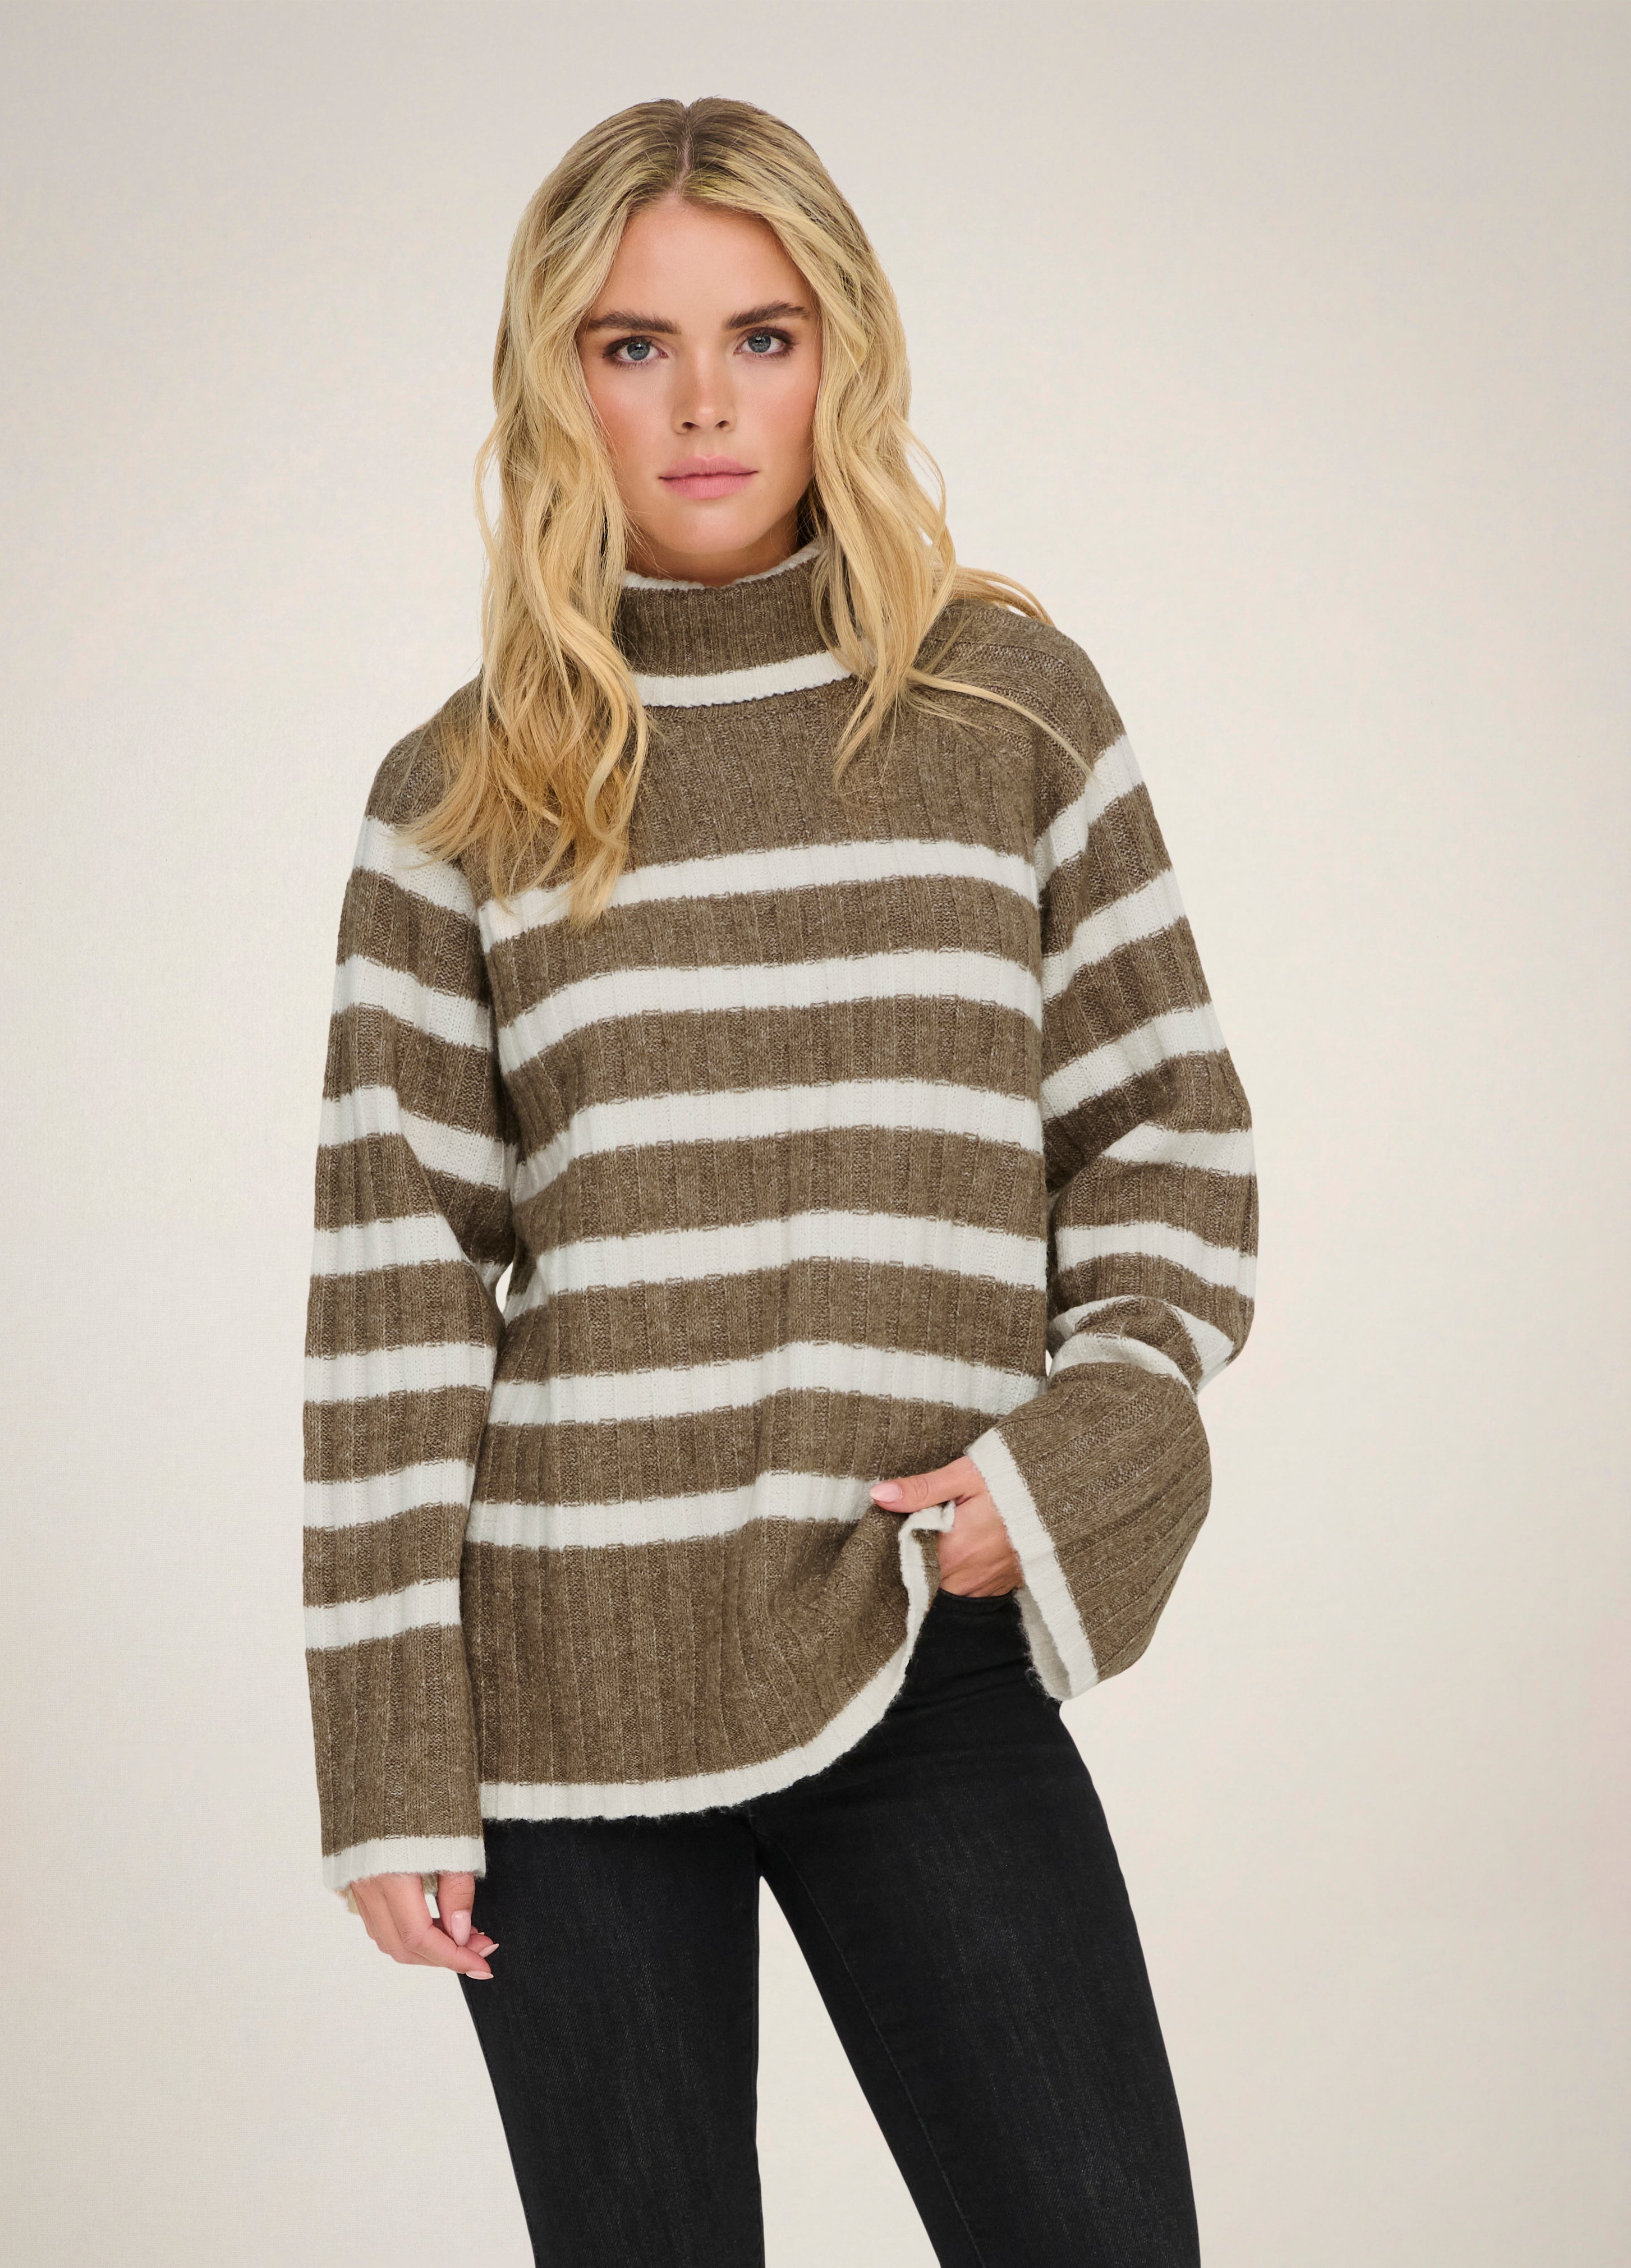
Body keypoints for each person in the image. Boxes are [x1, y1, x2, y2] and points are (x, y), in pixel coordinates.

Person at [301, 94, 1257, 2267]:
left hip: (911, 1638)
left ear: (842, 354)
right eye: (633, 345)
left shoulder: (1005, 711)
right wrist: (388, 1754)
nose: (705, 402)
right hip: (564, 1695)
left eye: (761, 335)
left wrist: (1063, 1468)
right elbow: (399, 1294)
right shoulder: (460, 794)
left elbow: (1168, 1146)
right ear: (558, 380)